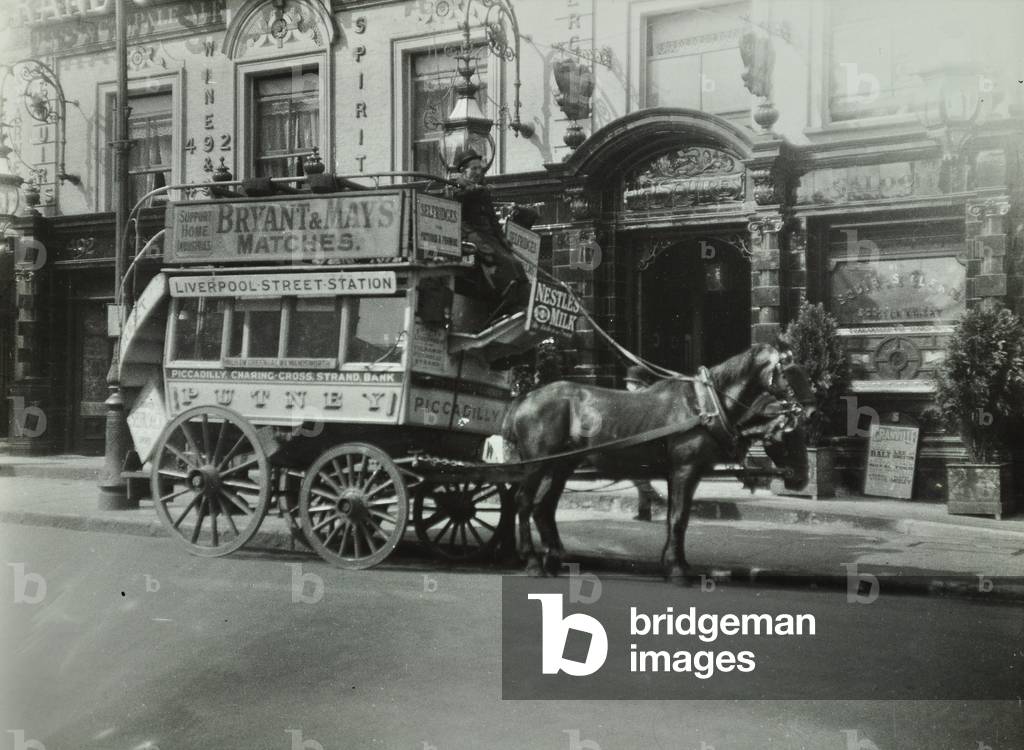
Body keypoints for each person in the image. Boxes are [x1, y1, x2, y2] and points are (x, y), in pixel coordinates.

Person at [448, 148, 529, 316]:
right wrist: (477, 240)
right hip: (475, 236)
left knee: (517, 264)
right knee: (502, 262)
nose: (479, 172)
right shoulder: (458, 188)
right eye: (474, 169)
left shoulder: (482, 189)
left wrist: (503, 239)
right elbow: (459, 219)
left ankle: (521, 301)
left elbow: (492, 219)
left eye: (480, 168)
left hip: (490, 236)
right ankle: (506, 299)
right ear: (464, 171)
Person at [624, 365, 667, 522]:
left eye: (630, 382)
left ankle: (658, 499)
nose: (628, 386)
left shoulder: (641, 398)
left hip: (646, 444)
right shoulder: (644, 397)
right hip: (644, 442)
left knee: (636, 474)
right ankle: (644, 512)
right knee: (641, 476)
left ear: (638, 384)